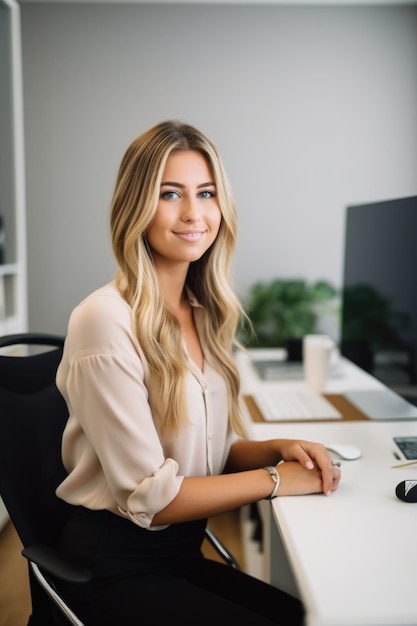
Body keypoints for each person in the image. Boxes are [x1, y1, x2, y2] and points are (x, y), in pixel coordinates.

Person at [54, 119, 341, 626]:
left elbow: (213, 453)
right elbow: (152, 498)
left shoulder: (204, 312)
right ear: (136, 206)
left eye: (206, 193)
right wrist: (276, 480)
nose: (193, 213)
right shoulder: (104, 319)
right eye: (170, 194)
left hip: (178, 556)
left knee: (304, 616)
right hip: (111, 568)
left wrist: (277, 449)